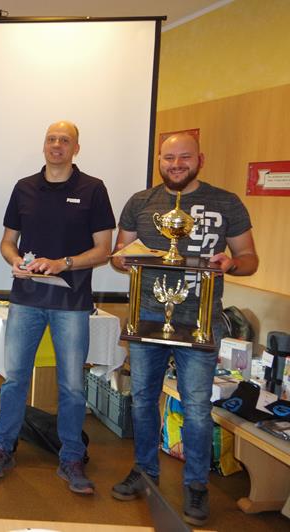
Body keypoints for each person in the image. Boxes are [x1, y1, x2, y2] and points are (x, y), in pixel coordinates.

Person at [110, 132, 258, 526]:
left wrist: (231, 264)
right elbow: (120, 254)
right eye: (169, 157)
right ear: (159, 160)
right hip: (147, 318)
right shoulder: (140, 202)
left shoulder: (226, 202)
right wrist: (122, 260)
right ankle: (145, 471)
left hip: (199, 322)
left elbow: (249, 257)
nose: (176, 164)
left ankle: (196, 484)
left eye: (185, 157)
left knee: (195, 407)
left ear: (200, 159)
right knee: (143, 400)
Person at [0, 121, 115, 495]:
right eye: (51, 139)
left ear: (76, 148)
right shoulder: (24, 187)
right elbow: (7, 242)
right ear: (44, 145)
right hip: (26, 300)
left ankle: (71, 457)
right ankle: (2, 448)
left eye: (64, 140)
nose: (57, 145)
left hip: (72, 304)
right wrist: (15, 259)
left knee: (71, 385)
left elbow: (103, 250)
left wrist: (63, 264)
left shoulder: (93, 189)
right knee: (15, 379)